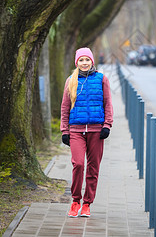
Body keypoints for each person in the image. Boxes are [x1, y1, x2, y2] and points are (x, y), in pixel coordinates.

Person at [60, 47, 113, 218]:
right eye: (81, 60)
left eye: (87, 60)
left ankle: (87, 203)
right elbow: (65, 107)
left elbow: (108, 104)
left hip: (97, 130)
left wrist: (107, 125)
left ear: (92, 61)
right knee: (78, 164)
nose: (84, 63)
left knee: (93, 167)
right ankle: (75, 201)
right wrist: (64, 130)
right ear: (77, 62)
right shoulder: (70, 80)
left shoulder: (102, 79)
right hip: (76, 130)